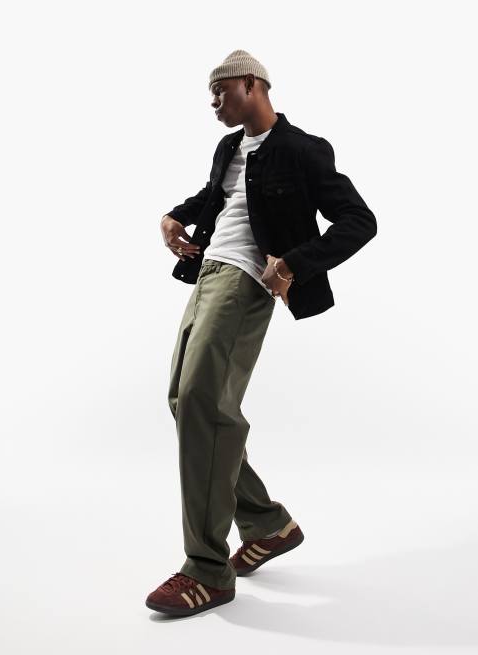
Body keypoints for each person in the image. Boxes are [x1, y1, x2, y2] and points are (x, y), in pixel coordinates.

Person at [146, 49, 377, 617]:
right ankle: (267, 524)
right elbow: (218, 199)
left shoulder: (301, 149)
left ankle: (206, 571)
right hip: (208, 273)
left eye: (219, 91)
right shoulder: (229, 148)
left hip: (244, 281)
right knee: (186, 401)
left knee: (203, 401)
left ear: (251, 84)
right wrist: (174, 216)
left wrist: (294, 264)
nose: (213, 103)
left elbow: (359, 220)